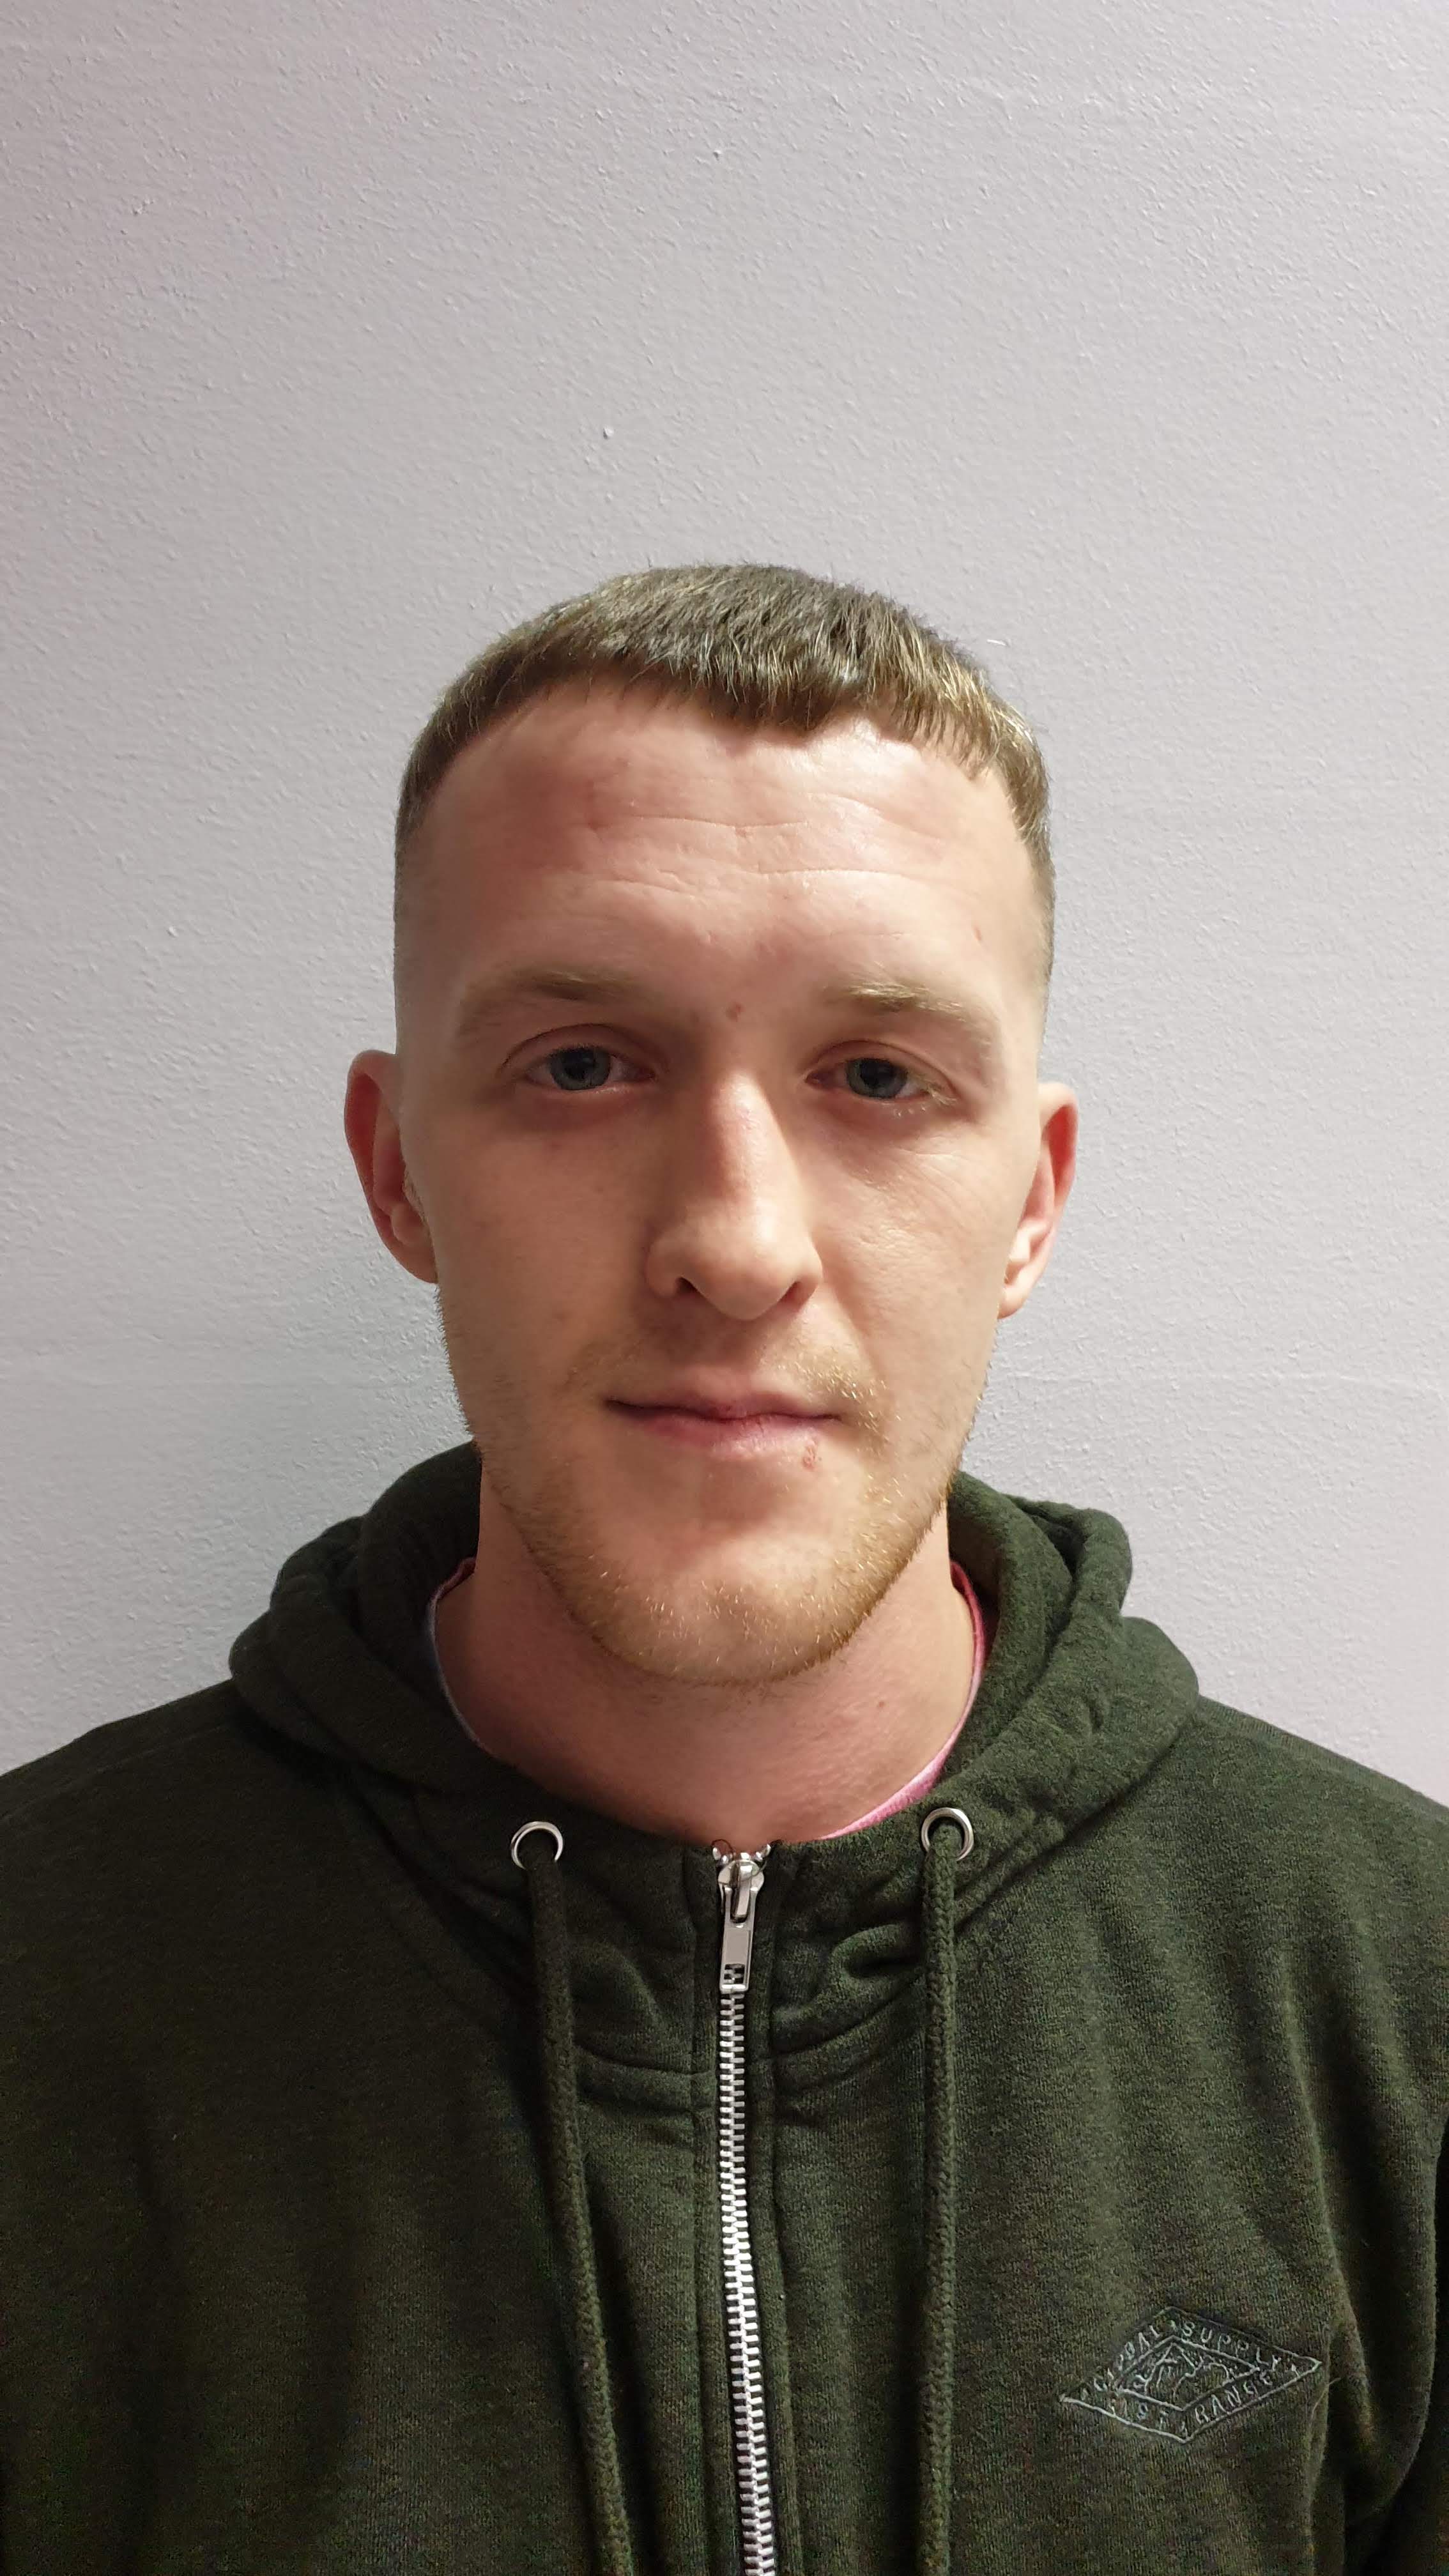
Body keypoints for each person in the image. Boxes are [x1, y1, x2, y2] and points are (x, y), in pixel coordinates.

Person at [1, 563, 1443, 2576]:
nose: (735, 1243)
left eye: (878, 1079)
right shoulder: (46, 1982)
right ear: (400, 1168)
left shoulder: (1397, 1991)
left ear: (1028, 1204)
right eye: (585, 1063)